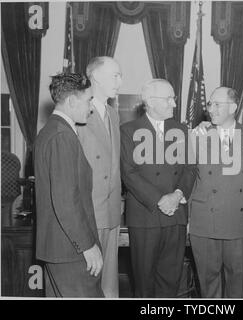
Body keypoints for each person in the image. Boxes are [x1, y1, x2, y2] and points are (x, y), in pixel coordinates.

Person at [120, 79, 197, 297]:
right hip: (146, 216)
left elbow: (190, 168)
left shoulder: (181, 129)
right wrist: (160, 200)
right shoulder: (128, 130)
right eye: (169, 99)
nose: (174, 104)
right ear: (151, 102)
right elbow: (129, 173)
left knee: (170, 282)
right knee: (144, 282)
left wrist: (177, 194)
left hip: (176, 216)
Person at [34, 73, 103, 297]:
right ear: (72, 101)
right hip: (71, 252)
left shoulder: (51, 131)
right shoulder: (62, 136)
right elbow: (66, 201)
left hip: (59, 250)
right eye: (89, 100)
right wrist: (87, 245)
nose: (91, 107)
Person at [189, 87, 243, 298]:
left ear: (233, 107)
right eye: (209, 104)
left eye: (218, 104)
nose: (211, 109)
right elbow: (186, 178)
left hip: (239, 222)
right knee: (208, 284)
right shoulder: (196, 136)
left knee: (238, 282)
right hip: (206, 221)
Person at [76, 56, 122, 298]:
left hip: (112, 213)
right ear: (95, 78)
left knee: (109, 286)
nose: (120, 81)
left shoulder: (113, 114)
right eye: (115, 75)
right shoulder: (79, 112)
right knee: (88, 284)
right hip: (90, 213)